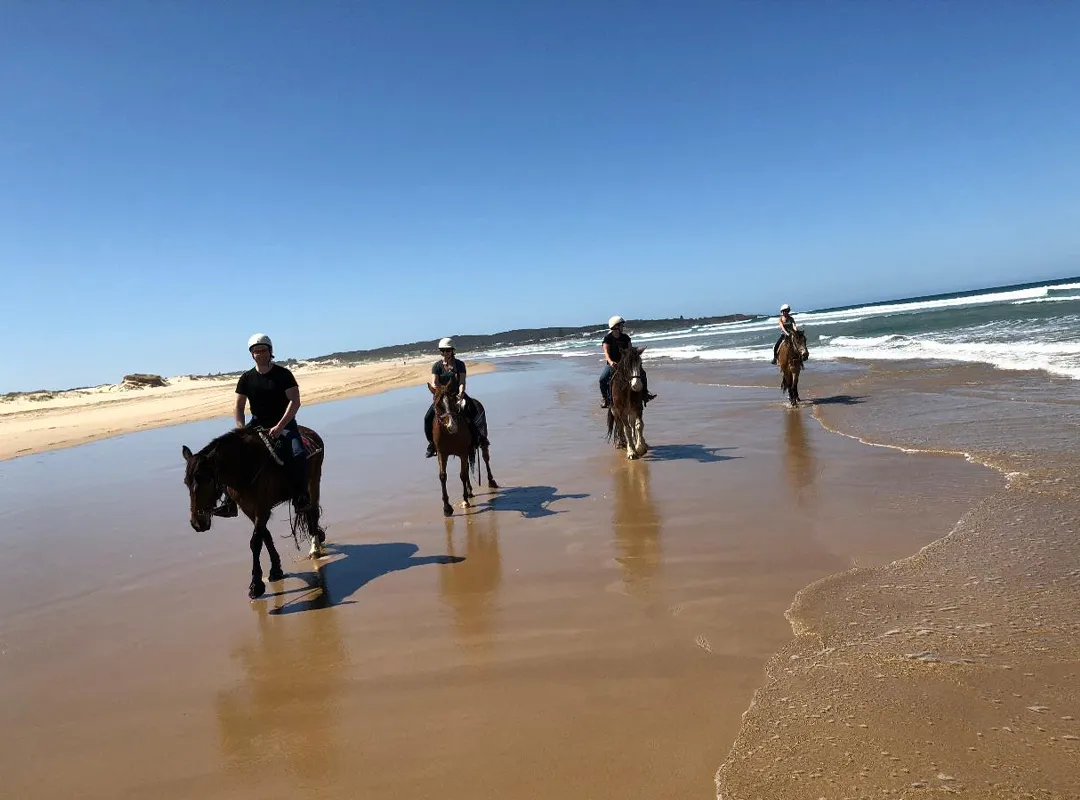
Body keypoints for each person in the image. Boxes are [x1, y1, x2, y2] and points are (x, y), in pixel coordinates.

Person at [234, 333, 311, 512]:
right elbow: (238, 407)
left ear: (270, 351)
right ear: (251, 354)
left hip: (284, 425)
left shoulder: (284, 374)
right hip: (256, 424)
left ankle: (301, 496)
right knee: (230, 452)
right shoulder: (246, 378)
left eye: (263, 350)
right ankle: (230, 503)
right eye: (256, 351)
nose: (260, 354)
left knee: (298, 453)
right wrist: (241, 429)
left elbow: (295, 401)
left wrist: (280, 426)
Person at [424, 337, 485, 457]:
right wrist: (440, 391)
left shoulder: (459, 364)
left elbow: (462, 381)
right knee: (427, 418)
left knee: (473, 411)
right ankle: (432, 444)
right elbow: (435, 382)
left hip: (456, 395)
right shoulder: (436, 366)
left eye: (447, 350)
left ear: (452, 351)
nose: (445, 353)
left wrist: (461, 393)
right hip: (442, 396)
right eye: (442, 351)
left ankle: (478, 439)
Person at [599, 315, 656, 408]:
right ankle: (606, 399)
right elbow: (606, 354)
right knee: (602, 379)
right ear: (615, 326)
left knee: (643, 374)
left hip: (626, 364)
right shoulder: (608, 339)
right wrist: (611, 362)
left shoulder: (625, 337)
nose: (622, 327)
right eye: (621, 325)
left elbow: (630, 351)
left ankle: (645, 394)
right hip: (613, 364)